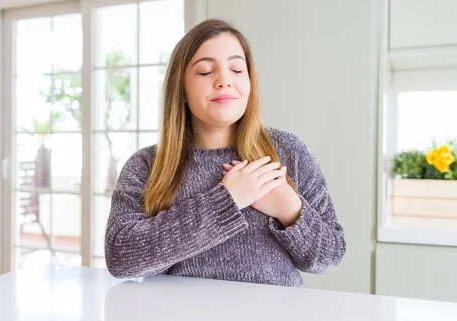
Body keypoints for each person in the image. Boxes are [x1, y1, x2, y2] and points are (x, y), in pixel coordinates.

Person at [103, 18, 346, 287]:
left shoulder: (288, 151)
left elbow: (330, 256)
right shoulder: (146, 165)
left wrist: (289, 209)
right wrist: (226, 200)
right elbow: (121, 258)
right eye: (206, 71)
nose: (224, 81)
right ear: (181, 88)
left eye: (236, 69)